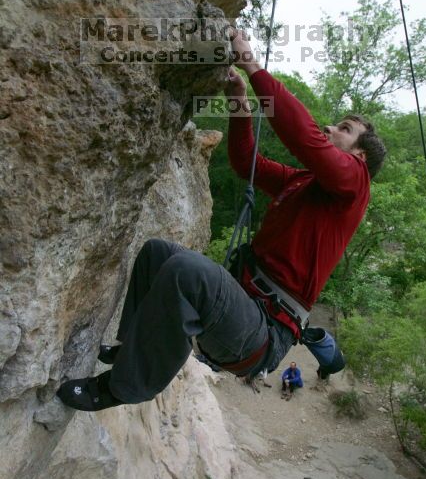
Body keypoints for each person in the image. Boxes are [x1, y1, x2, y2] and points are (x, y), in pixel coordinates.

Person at [57, 28, 386, 412]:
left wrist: (251, 65)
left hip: (263, 332)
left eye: (345, 130)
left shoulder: (355, 185)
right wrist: (240, 104)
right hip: (244, 307)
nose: (331, 128)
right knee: (156, 254)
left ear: (360, 157)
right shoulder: (304, 182)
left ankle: (120, 389)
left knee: (186, 271)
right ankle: (132, 349)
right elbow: (246, 164)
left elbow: (306, 138)